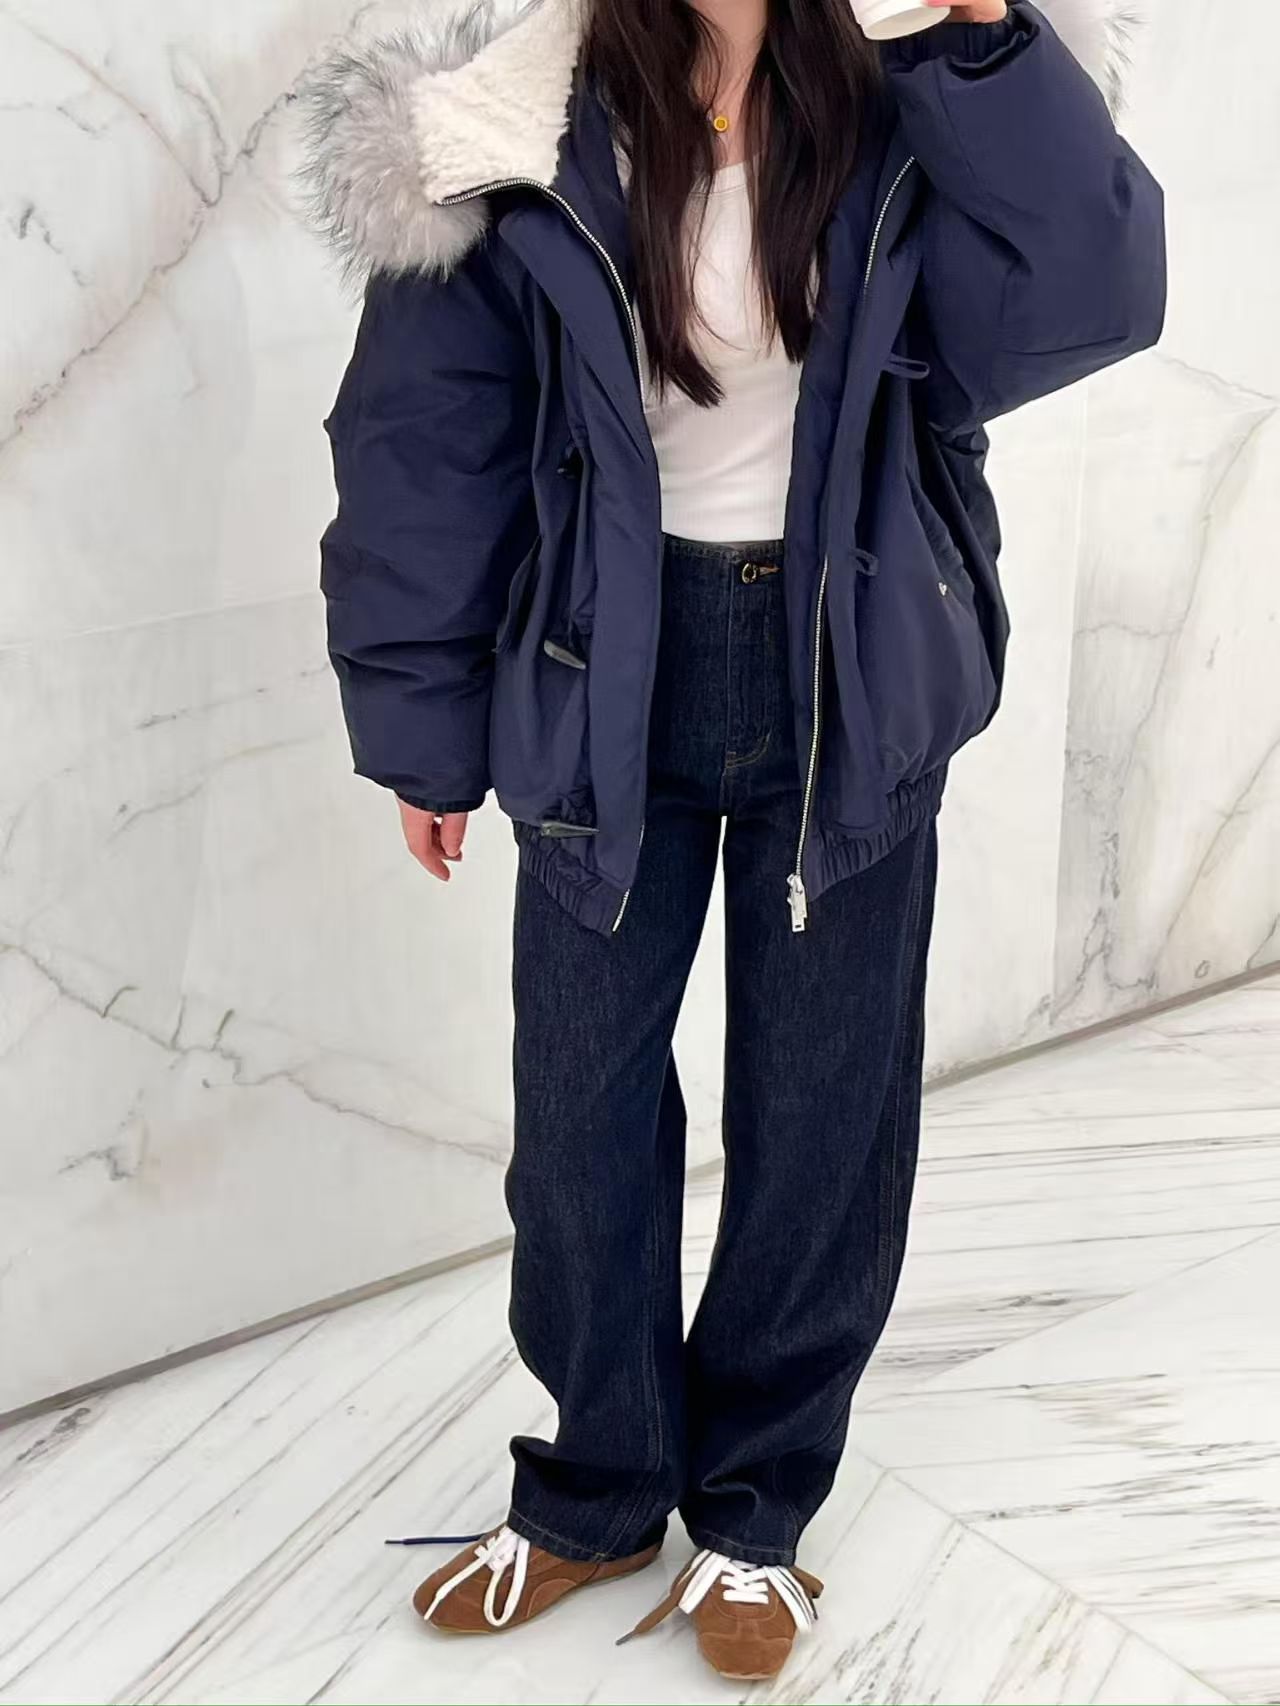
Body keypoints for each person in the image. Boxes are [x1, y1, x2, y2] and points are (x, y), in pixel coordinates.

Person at [303, 0, 1164, 1680]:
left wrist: (983, 44)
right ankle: (599, 1486)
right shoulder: (511, 126)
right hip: (598, 678)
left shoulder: (911, 103)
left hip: (849, 672)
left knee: (824, 1120)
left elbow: (1094, 294)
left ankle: (759, 1506)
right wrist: (423, 724)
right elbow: (425, 440)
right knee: (578, 1122)